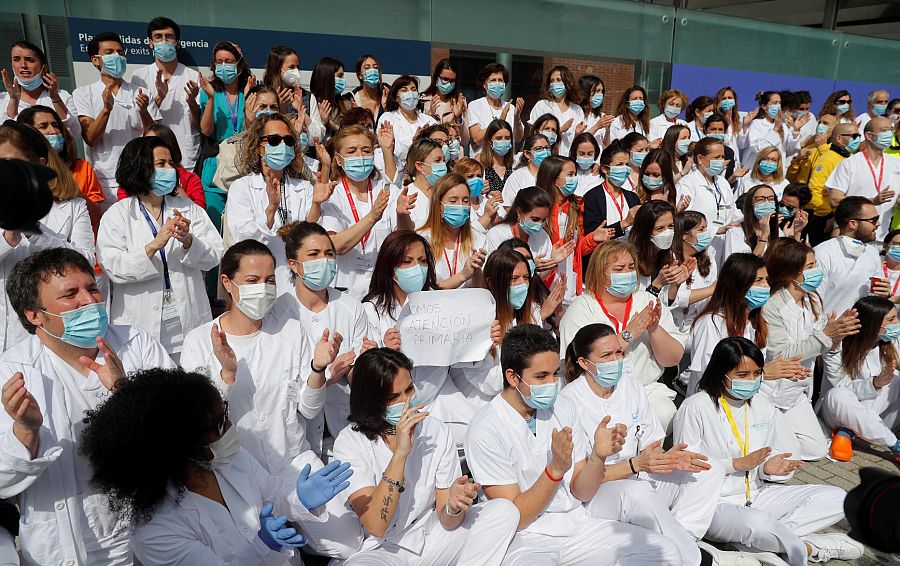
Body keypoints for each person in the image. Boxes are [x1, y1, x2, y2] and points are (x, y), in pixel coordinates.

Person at [180, 239, 364, 558]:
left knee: (349, 543)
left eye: (269, 281)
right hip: (237, 474)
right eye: (252, 281)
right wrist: (226, 373)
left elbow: (308, 409)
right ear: (227, 282)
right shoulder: (199, 342)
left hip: (292, 460)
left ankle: (301, 527)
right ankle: (293, 531)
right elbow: (198, 424)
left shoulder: (290, 332)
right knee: (269, 554)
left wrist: (318, 368)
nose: (263, 289)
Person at [0, 247, 174, 565]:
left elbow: (181, 430)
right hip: (69, 543)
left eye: (92, 288)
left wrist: (125, 392)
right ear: (34, 315)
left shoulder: (136, 343)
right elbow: (2, 480)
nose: (90, 301)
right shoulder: (13, 371)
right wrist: (25, 430)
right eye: (70, 294)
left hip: (152, 532)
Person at [80, 366, 357, 565]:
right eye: (216, 425)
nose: (229, 427)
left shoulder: (228, 459)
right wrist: (262, 546)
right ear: (176, 446)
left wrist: (301, 499)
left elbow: (274, 498)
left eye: (223, 416)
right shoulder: (155, 530)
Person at [465, 324, 682, 566]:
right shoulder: (485, 428)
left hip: (578, 523)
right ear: (512, 377)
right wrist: (555, 470)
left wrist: (598, 458)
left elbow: (581, 491)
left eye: (554, 374)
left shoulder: (563, 407)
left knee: (666, 553)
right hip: (526, 539)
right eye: (541, 376)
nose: (552, 383)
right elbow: (518, 517)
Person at [560, 323, 758, 566]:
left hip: (640, 474)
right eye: (606, 356)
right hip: (598, 494)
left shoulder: (629, 385)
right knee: (637, 492)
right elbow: (578, 483)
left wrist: (669, 458)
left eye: (618, 353)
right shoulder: (568, 401)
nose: (615, 360)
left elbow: (651, 441)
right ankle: (697, 560)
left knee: (709, 469)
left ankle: (684, 542)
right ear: (583, 363)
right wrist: (635, 465)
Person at [674, 336, 863, 566]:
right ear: (721, 373)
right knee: (757, 524)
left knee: (838, 498)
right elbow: (685, 466)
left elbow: (765, 461)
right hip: (716, 503)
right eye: (743, 375)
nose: (752, 381)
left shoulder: (764, 406)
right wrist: (735, 464)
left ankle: (759, 544)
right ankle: (807, 547)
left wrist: (767, 468)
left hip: (757, 494)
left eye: (757, 373)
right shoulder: (696, 407)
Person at [333, 347, 519, 566]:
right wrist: (401, 454)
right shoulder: (349, 443)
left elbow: (448, 521)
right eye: (394, 397)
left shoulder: (436, 430)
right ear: (371, 401)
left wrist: (454, 506)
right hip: (383, 549)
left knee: (504, 511)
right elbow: (376, 525)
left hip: (433, 536)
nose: (407, 402)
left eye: (410, 389)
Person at [97, 136, 223, 361]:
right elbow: (113, 267)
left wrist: (188, 241)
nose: (170, 169)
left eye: (171, 163)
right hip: (139, 324)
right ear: (140, 168)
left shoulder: (187, 208)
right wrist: (155, 245)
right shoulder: (117, 215)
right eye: (161, 164)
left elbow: (214, 255)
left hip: (187, 322)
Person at [559, 240, 686, 430]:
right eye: (619, 269)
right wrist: (629, 334)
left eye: (631, 267)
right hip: (596, 395)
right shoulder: (581, 309)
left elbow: (673, 358)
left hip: (646, 391)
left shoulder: (647, 301)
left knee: (665, 414)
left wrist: (653, 329)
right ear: (600, 273)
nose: (627, 273)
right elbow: (574, 365)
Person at [273, 222, 371, 450]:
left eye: (329, 254)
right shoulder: (278, 313)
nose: (324, 261)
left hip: (344, 424)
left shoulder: (351, 307)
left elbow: (355, 372)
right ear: (294, 265)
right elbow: (281, 379)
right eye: (314, 254)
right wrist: (327, 375)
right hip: (297, 432)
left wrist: (365, 364)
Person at [761, 237, 860, 463]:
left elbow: (824, 343)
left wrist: (837, 336)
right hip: (771, 393)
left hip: (797, 393)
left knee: (815, 451)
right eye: (811, 266)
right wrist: (827, 335)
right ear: (791, 273)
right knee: (789, 456)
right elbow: (782, 354)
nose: (817, 271)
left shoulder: (812, 299)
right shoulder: (772, 305)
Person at [225, 112, 324, 294]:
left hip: (301, 282)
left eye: (288, 141)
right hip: (262, 285)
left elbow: (312, 237)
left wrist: (316, 204)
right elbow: (246, 242)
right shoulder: (242, 188)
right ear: (257, 147)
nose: (282, 145)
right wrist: (271, 209)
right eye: (273, 140)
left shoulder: (304, 187)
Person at [688, 252, 807, 396]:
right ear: (738, 284)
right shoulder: (711, 323)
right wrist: (762, 374)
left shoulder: (755, 323)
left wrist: (784, 370)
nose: (766, 286)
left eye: (767, 280)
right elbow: (706, 376)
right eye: (758, 280)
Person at [318, 125, 415, 298]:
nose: (360, 156)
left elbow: (405, 238)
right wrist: (372, 217)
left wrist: (402, 215)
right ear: (339, 160)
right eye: (352, 151)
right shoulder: (333, 194)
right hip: (344, 291)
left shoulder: (388, 191)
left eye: (365, 150)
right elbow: (335, 245)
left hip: (382, 291)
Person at [73, 31, 161, 206]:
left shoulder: (141, 92)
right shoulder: (84, 93)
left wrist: (143, 111)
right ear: (95, 60)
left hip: (142, 176)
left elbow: (156, 136)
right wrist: (106, 109)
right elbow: (90, 137)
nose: (117, 57)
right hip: (107, 181)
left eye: (120, 52)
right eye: (109, 53)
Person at [820, 295, 900, 462]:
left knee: (896, 379)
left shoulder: (891, 342)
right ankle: (894, 445)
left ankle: (847, 433)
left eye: (897, 317)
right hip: (838, 412)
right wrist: (874, 383)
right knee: (837, 394)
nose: (897, 323)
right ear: (874, 324)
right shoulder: (839, 345)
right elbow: (841, 385)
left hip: (878, 415)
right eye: (892, 319)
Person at [197, 40, 254, 232]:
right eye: (219, 61)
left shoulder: (248, 91)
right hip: (215, 166)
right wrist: (211, 98)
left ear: (240, 64)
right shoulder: (209, 92)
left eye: (229, 61)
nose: (224, 66)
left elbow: (252, 129)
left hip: (243, 164)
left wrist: (247, 98)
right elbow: (205, 130)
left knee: (241, 228)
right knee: (214, 227)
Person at [131, 17, 201, 170]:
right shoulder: (139, 77)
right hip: (153, 159)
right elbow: (139, 121)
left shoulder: (192, 76)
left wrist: (191, 101)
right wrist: (160, 97)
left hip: (187, 157)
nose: (164, 41)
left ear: (177, 42)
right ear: (150, 43)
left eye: (169, 37)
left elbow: (198, 124)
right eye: (158, 37)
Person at [15, 105, 104, 225]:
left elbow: (96, 218)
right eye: (43, 126)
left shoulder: (82, 167)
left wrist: (74, 191)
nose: (53, 131)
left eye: (55, 125)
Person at [827, 116, 900, 242]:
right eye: (884, 130)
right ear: (869, 136)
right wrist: (871, 201)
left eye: (891, 130)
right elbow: (834, 200)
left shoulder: (896, 163)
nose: (889, 134)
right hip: (850, 237)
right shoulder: (849, 164)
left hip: (881, 238)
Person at [814, 196, 883, 316]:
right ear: (853, 223)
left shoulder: (872, 252)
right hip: (830, 331)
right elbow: (813, 302)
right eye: (873, 220)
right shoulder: (822, 253)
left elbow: (873, 295)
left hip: (863, 331)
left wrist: (883, 293)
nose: (878, 224)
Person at [677, 136, 741, 262]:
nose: (721, 161)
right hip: (701, 247)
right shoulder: (688, 183)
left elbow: (732, 210)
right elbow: (686, 219)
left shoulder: (722, 182)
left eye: (722, 157)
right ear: (700, 158)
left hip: (725, 245)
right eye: (716, 157)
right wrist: (716, 229)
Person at [417, 173, 486, 288]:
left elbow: (480, 289)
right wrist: (462, 276)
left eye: (465, 201)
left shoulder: (478, 239)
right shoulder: (422, 239)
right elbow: (424, 288)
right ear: (439, 205)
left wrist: (477, 272)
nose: (460, 206)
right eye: (453, 201)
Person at [1, 41, 80, 139]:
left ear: (44, 67)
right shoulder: (3, 100)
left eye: (30, 60)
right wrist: (14, 101)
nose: (23, 65)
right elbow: (5, 138)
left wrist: (55, 98)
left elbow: (75, 133)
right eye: (16, 59)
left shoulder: (63, 96)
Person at [804, 122, 859, 245]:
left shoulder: (847, 159)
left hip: (838, 218)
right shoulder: (828, 158)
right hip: (822, 219)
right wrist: (827, 215)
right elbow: (815, 189)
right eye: (854, 136)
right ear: (839, 138)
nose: (858, 140)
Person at [627, 199, 690, 304]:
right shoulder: (628, 259)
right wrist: (657, 284)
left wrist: (676, 284)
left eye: (670, 226)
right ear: (645, 231)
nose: (667, 233)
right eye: (660, 228)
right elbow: (635, 306)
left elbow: (666, 303)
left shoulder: (669, 255)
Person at [670, 210, 718, 339]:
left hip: (701, 328)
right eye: (701, 229)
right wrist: (712, 289)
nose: (706, 234)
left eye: (706, 228)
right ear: (684, 235)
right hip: (673, 329)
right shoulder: (670, 259)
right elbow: (677, 299)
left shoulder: (708, 259)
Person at [582, 141, 641, 240]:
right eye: (619, 165)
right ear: (605, 169)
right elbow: (592, 235)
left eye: (627, 165)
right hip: (604, 253)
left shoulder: (632, 197)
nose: (625, 169)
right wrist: (624, 223)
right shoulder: (592, 197)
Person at [376, 75, 437, 170]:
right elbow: (388, 150)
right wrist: (414, 143)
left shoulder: (429, 120)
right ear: (396, 97)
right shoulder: (387, 118)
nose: (410, 93)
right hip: (398, 173)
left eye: (413, 89)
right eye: (404, 90)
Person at [467, 62, 524, 150]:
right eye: (493, 80)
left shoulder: (511, 108)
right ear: (484, 84)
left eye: (500, 80)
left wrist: (517, 118)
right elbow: (476, 139)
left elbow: (517, 139)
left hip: (506, 161)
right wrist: (500, 120)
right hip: (482, 160)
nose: (497, 83)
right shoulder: (475, 106)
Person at [529, 65, 584, 155]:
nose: (554, 83)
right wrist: (559, 131)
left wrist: (577, 134)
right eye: (552, 81)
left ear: (568, 83)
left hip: (566, 159)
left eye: (558, 80)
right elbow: (533, 135)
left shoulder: (577, 110)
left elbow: (578, 142)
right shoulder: (542, 105)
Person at [745, 91, 804, 170]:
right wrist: (775, 129)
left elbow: (789, 149)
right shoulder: (757, 124)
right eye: (774, 103)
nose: (778, 106)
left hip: (776, 172)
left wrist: (796, 130)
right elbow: (757, 148)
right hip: (757, 170)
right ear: (764, 106)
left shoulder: (783, 126)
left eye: (779, 103)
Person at [421, 58, 469, 148]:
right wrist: (429, 116)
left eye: (452, 81)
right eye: (445, 79)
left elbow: (465, 140)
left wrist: (458, 118)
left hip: (453, 156)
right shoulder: (422, 101)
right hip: (431, 154)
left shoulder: (460, 102)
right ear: (436, 78)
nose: (448, 83)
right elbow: (419, 137)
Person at [402, 137, 446, 229]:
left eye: (444, 160)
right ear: (419, 166)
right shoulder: (406, 197)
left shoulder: (447, 193)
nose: (443, 165)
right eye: (437, 161)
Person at [501, 133, 551, 207]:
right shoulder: (518, 177)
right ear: (527, 154)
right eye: (538, 149)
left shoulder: (554, 174)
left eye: (547, 148)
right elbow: (508, 206)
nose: (544, 151)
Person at [309, 56, 353, 140]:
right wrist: (322, 123)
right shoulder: (309, 102)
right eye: (339, 76)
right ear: (327, 77)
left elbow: (352, 137)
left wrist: (334, 126)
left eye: (342, 76)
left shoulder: (346, 105)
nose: (342, 80)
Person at [477, 118, 514, 194]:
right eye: (499, 138)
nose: (503, 141)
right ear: (490, 141)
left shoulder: (515, 164)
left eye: (507, 138)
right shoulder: (481, 161)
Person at [578, 74, 614, 150]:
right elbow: (579, 141)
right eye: (597, 91)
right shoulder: (577, 113)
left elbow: (606, 146)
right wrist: (597, 126)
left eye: (602, 91)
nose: (600, 95)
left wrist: (607, 130)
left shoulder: (601, 116)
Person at [353, 54, 386, 122]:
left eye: (375, 67)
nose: (373, 71)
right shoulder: (352, 100)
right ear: (360, 75)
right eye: (367, 68)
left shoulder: (387, 96)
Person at [569, 131, 602, 196]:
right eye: (581, 154)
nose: (586, 157)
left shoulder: (600, 174)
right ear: (575, 152)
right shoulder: (566, 171)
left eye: (590, 154)